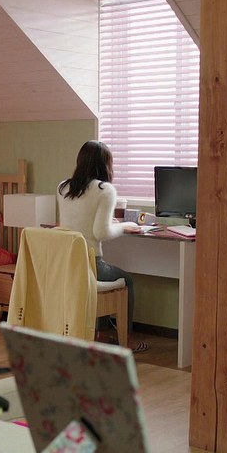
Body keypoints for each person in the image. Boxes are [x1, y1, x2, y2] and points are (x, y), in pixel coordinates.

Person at [57, 140, 147, 352]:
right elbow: (101, 233)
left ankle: (102, 334)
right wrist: (125, 226)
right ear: (106, 164)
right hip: (90, 264)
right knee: (127, 280)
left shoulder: (63, 187)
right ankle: (127, 340)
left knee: (109, 274)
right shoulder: (104, 190)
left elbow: (76, 221)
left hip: (66, 263)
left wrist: (110, 222)